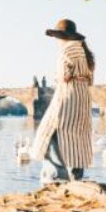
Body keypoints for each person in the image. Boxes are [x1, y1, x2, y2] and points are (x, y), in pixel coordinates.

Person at [32, 19, 95, 180]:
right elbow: (90, 79)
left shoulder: (66, 51)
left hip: (68, 95)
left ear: (62, 37)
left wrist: (57, 78)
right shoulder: (84, 52)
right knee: (77, 136)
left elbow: (64, 77)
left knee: (50, 132)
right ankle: (76, 176)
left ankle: (57, 175)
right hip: (83, 96)